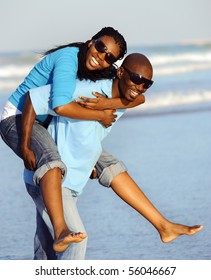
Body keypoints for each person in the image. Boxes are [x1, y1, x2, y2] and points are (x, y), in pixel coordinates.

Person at [23, 53, 203, 259]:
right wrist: (25, 146)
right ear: (120, 72)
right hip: (54, 182)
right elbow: (34, 98)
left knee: (46, 252)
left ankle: (163, 226)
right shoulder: (86, 91)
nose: (140, 87)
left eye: (147, 84)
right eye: (136, 79)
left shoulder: (123, 96)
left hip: (74, 180)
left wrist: (105, 105)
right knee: (76, 243)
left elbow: (139, 98)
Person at [0, 27, 132, 252]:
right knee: (52, 161)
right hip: (18, 117)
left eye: (109, 57)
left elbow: (131, 92)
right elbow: (60, 105)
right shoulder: (68, 58)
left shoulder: (99, 69)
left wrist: (121, 102)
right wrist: (24, 146)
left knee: (106, 161)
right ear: (91, 41)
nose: (100, 57)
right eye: (100, 48)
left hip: (45, 123)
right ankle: (61, 230)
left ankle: (162, 225)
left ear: (114, 64)